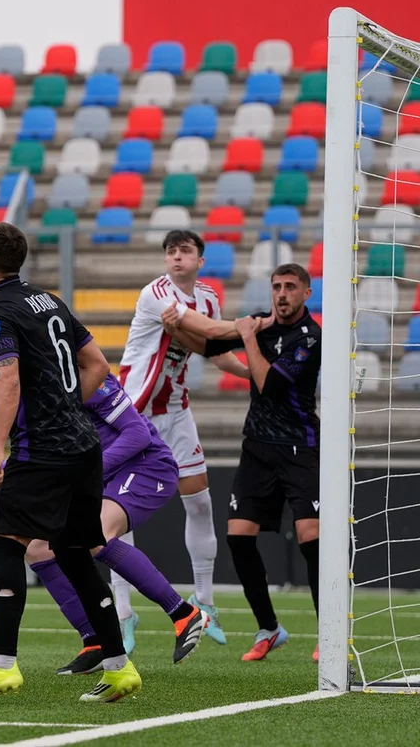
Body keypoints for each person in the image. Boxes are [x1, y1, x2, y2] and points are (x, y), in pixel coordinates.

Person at [0, 222, 140, 703]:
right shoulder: (48, 300)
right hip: (83, 446)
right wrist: (70, 408)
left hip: (42, 450)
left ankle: (2, 666)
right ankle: (119, 667)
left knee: (5, 547)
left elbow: (6, 379)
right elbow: (98, 364)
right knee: (74, 554)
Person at [162, 262, 321, 663]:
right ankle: (269, 628)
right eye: (276, 287)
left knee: (311, 539)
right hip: (257, 450)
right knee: (238, 537)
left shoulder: (310, 337)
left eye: (290, 287)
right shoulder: (262, 327)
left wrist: (248, 336)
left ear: (306, 293)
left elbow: (268, 383)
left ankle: (330, 631)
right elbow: (212, 350)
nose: (281, 294)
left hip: (299, 447)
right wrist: (175, 329)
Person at [3, 373, 208, 675]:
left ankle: (184, 613)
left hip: (145, 465)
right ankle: (95, 642)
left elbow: (137, 434)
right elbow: (35, 453)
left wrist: (88, 471)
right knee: (38, 550)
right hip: (101, 477)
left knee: (95, 537)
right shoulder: (36, 392)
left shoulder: (84, 376)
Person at [115, 229, 248, 650]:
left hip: (175, 411)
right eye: (170, 251)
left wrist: (251, 373)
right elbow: (208, 330)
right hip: (132, 414)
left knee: (201, 501)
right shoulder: (156, 293)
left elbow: (210, 345)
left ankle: (205, 603)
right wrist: (253, 328)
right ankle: (122, 611)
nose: (175, 257)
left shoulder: (207, 296)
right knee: (115, 512)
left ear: (200, 259)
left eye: (184, 251)